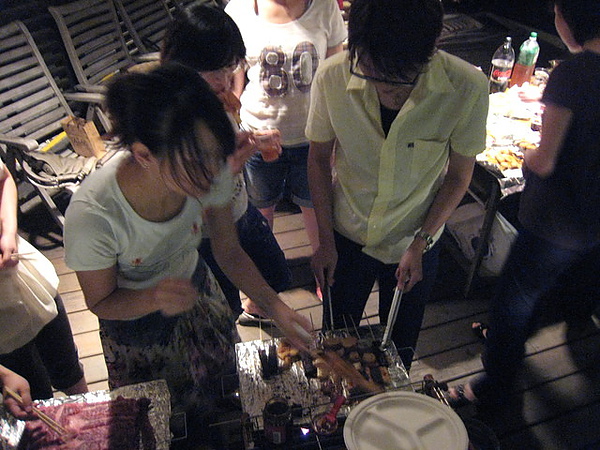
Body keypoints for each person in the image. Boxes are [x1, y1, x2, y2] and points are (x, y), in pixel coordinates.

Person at [63, 64, 312, 445]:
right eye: (197, 163)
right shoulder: (94, 215)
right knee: (164, 428)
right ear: (143, 154)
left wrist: (276, 307)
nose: (214, 176)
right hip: (136, 326)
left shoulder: (206, 170)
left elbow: (228, 250)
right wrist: (153, 297)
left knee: (225, 402)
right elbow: (100, 301)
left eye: (216, 158)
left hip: (200, 297)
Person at [306, 0, 489, 369]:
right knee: (336, 341)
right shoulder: (331, 76)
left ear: (432, 49)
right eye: (372, 71)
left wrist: (421, 241)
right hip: (347, 231)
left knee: (400, 348)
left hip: (416, 237)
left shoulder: (466, 86)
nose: (385, 89)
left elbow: (458, 176)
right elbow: (318, 159)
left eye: (401, 77)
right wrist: (324, 240)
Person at [448, 0, 600, 406]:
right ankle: (530, 331)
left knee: (514, 297)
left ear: (571, 20)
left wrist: (528, 154)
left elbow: (544, 161)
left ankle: (494, 386)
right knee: (574, 281)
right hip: (592, 221)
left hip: (557, 218)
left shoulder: (574, 74)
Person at [160, 2, 292, 325]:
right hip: (204, 234)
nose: (224, 79)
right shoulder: (173, 119)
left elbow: (227, 144)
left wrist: (253, 141)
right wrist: (226, 169)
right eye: (214, 71)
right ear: (183, 65)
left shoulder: (214, 99)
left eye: (230, 66)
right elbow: (182, 195)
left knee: (277, 273)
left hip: (240, 208)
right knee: (223, 307)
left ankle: (257, 309)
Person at [225, 0, 347, 277]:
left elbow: (335, 76)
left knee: (316, 210)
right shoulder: (240, 10)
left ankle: (323, 276)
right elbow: (234, 76)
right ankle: (263, 280)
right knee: (260, 211)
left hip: (313, 138)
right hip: (257, 135)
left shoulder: (325, 6)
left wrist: (335, 134)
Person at [0, 158, 88, 403]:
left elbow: (4, 179)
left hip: (27, 276)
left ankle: (90, 412)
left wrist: (9, 233)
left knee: (68, 368)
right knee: (33, 393)